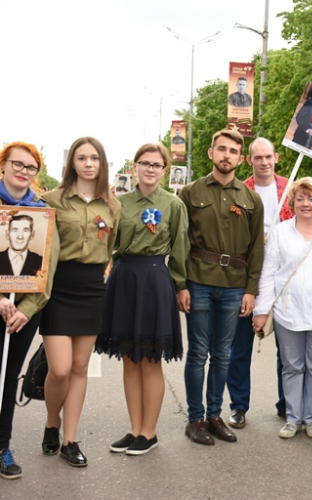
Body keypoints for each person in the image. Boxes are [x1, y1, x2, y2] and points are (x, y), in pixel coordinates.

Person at [95, 143, 188, 456]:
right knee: (129, 359)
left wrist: (180, 286)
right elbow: (107, 244)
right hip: (123, 279)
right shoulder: (118, 203)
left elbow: (179, 249)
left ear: (164, 170)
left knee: (150, 360)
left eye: (156, 164)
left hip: (154, 281)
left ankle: (149, 432)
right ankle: (135, 429)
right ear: (134, 167)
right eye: (144, 163)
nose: (150, 169)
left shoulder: (173, 204)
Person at [178, 129, 264, 446]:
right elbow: (180, 242)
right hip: (199, 281)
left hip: (234, 286)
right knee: (198, 353)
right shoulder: (189, 192)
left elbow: (257, 249)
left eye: (233, 151)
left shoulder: (251, 199)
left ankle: (215, 416)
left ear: (241, 159)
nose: (226, 155)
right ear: (210, 153)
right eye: (221, 149)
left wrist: (251, 290)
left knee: (223, 355)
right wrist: (180, 285)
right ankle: (195, 419)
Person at [41, 137, 121, 467]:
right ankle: (51, 422)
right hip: (59, 288)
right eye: (81, 158)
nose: (88, 163)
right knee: (59, 369)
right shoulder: (51, 199)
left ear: (102, 163)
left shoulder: (112, 205)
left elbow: (111, 247)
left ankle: (70, 440)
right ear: (71, 162)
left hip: (91, 289)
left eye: (94, 158)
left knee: (78, 368)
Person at [253, 177, 312, 439]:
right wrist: (261, 310)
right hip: (287, 311)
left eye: (311, 198)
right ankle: (293, 417)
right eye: (300, 198)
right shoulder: (280, 232)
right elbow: (268, 273)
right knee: (291, 366)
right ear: (292, 202)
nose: (306, 203)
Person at [0, 142, 59, 480]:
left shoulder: (40, 209)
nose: (23, 172)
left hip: (23, 312)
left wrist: (27, 308)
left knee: (8, 378)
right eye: (16, 164)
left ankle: (2, 445)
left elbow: (47, 270)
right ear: (3, 166)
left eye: (30, 167)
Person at [226, 138, 293, 430]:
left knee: (288, 348)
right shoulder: (239, 190)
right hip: (246, 277)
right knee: (239, 346)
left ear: (276, 157)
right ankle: (239, 405)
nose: (264, 162)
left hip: (284, 277)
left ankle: (286, 403)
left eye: (268, 156)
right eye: (258, 157)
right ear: (249, 160)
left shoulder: (291, 190)